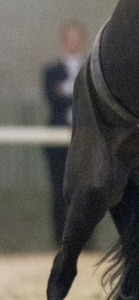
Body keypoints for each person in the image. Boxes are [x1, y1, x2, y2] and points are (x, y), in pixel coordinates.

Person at [42, 21, 88, 246]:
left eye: (76, 38)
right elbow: (52, 99)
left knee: (86, 191)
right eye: (68, 38)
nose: (72, 42)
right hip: (58, 139)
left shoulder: (91, 68)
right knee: (59, 190)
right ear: (63, 41)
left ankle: (85, 241)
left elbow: (91, 100)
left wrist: (67, 90)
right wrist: (77, 92)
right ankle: (59, 240)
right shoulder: (51, 71)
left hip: (87, 140)